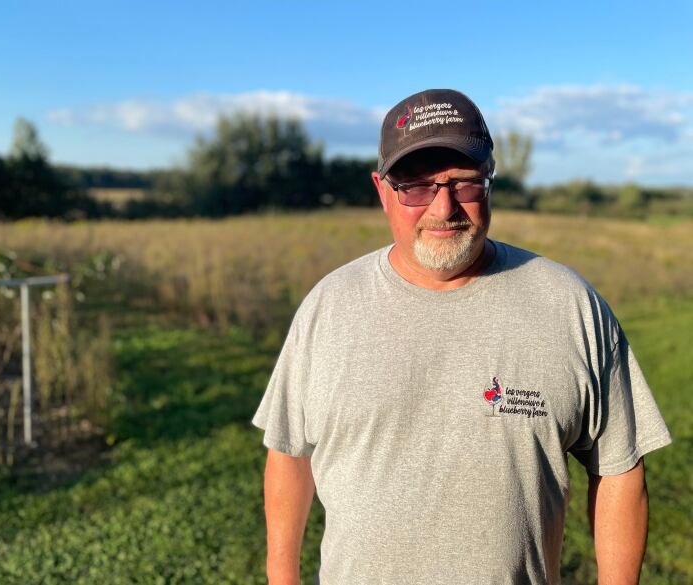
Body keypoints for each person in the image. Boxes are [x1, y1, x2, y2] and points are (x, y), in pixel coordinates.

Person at [251, 89, 672, 585]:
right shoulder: (329, 306)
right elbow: (288, 452)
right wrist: (283, 578)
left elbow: (620, 467)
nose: (443, 207)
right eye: (416, 186)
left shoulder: (569, 305)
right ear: (382, 189)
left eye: (465, 183)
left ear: (490, 180)